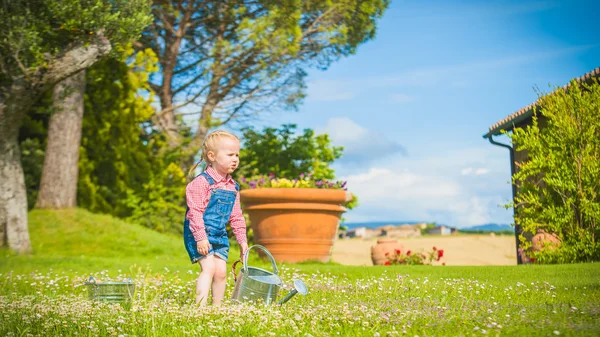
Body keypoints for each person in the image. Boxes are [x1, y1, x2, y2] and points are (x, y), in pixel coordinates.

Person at [183, 130, 248, 306]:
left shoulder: (233, 186)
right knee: (209, 268)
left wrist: (242, 242)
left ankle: (216, 308)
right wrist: (201, 238)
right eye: (230, 155)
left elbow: (236, 217)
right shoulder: (201, 183)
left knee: (221, 272)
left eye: (237, 155)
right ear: (212, 156)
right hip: (198, 233)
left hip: (219, 234)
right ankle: (200, 308)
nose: (235, 159)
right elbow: (194, 213)